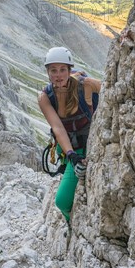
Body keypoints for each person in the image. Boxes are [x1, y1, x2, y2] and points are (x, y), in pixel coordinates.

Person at [38, 46, 101, 224]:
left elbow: (112, 92)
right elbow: (58, 128)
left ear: (69, 69)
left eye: (62, 69)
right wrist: (72, 155)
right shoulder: (45, 97)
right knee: (62, 201)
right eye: (53, 70)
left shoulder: (85, 85)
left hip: (93, 142)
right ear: (48, 72)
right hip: (69, 148)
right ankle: (71, 224)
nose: (58, 75)